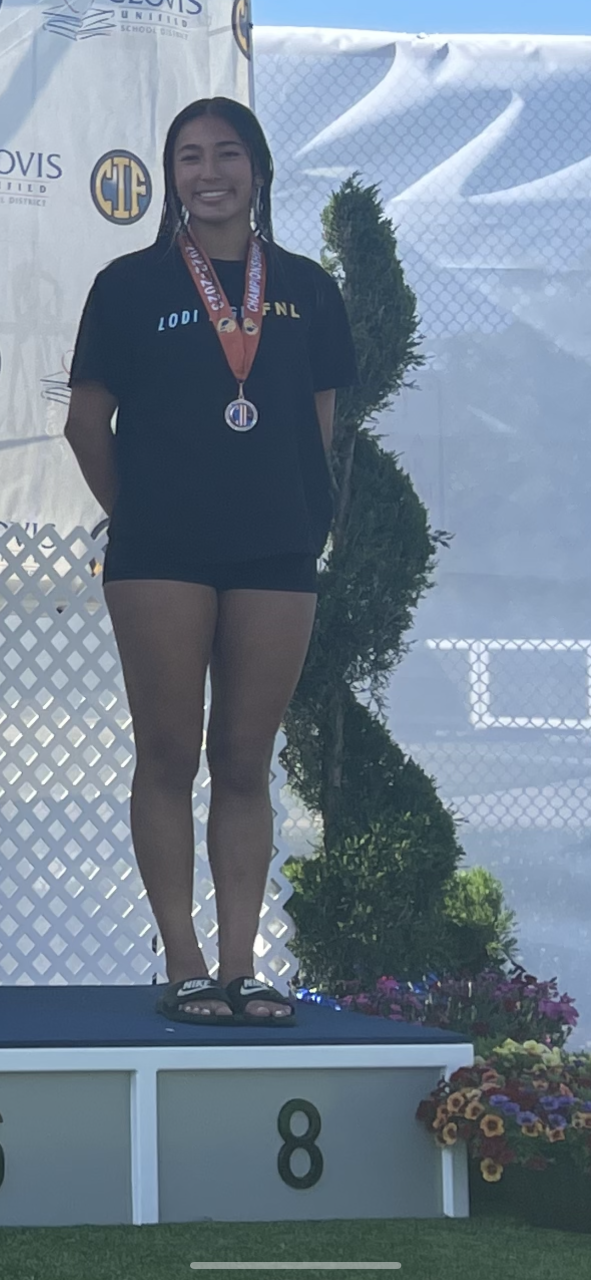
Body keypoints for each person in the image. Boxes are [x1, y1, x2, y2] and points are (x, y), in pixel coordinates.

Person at [64, 97, 358, 1027]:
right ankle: (184, 960)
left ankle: (243, 965)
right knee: (168, 754)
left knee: (243, 759)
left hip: (274, 552)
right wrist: (145, 518)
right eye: (187, 157)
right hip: (162, 555)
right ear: (171, 175)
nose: (207, 172)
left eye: (225, 153)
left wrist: (302, 520)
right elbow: (84, 423)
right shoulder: (127, 284)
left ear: (258, 168)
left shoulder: (308, 287)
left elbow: (320, 425)